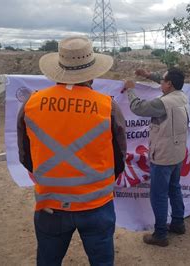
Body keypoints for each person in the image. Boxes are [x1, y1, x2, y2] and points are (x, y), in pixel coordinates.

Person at [17, 36, 127, 265]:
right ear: (93, 73)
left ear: (59, 69)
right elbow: (119, 158)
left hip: (50, 205)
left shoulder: (31, 104)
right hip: (97, 205)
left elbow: (25, 157)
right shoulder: (107, 106)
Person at [122, 67, 189, 247]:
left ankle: (160, 234)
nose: (161, 82)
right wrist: (148, 75)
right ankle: (178, 223)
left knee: (158, 195)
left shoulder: (163, 103)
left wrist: (130, 90)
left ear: (169, 84)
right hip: (177, 153)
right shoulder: (182, 95)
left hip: (163, 156)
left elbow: (138, 108)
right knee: (174, 188)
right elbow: (168, 79)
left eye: (163, 81)